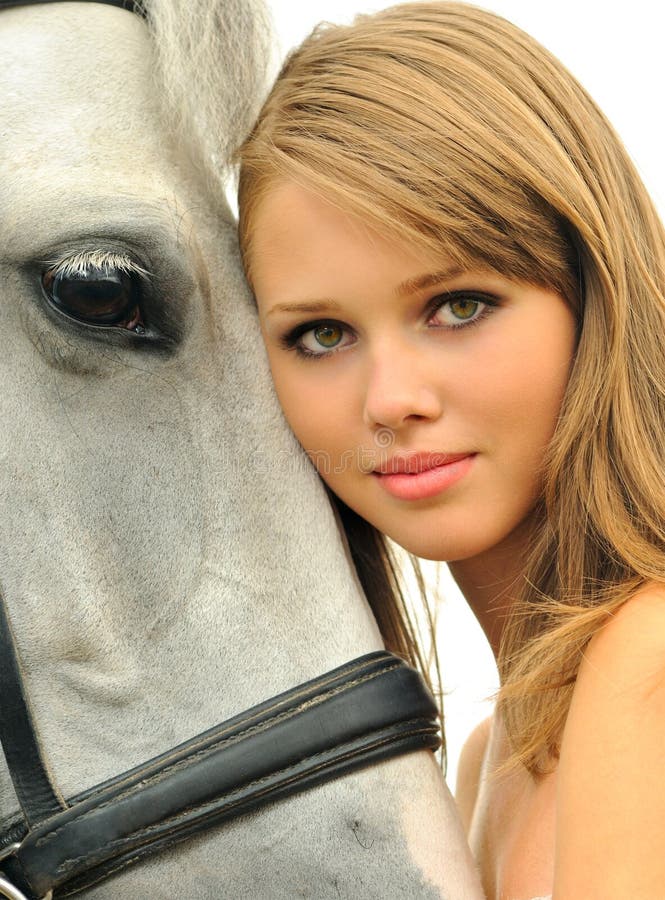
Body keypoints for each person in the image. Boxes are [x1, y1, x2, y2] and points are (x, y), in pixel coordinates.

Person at [235, 2, 665, 897]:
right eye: (320, 335)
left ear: (593, 288)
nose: (391, 400)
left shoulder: (650, 662)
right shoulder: (487, 760)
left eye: (457, 305)